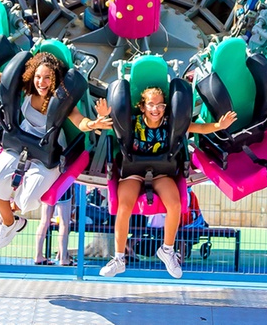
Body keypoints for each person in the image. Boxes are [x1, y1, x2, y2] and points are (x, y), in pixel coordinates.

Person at [0, 52, 112, 249]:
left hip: (47, 152)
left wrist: (94, 123)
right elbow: (0, 79)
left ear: (55, 79)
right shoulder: (28, 89)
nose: (42, 82)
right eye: (38, 77)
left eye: (47, 77)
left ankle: (8, 212)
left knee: (28, 200)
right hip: (21, 143)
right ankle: (10, 222)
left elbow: (79, 121)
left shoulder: (62, 100)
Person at [99, 87, 236, 279]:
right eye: (151, 105)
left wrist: (218, 126)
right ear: (143, 106)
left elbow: (199, 128)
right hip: (134, 171)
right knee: (124, 206)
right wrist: (103, 116)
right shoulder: (132, 123)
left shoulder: (171, 123)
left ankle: (167, 250)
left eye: (160, 105)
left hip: (161, 172)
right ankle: (119, 258)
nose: (156, 109)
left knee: (175, 205)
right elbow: (103, 128)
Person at [34, 187, 74, 266]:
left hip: (49, 185)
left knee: (44, 222)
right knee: (64, 224)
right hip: (63, 186)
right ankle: (63, 258)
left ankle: (38, 255)